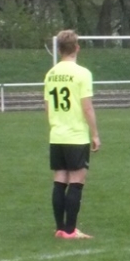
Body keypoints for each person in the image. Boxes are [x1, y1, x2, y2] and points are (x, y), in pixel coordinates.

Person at [44, 30, 101, 239]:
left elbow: (47, 106)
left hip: (57, 135)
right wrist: (95, 134)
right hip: (76, 136)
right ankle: (70, 230)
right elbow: (87, 107)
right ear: (77, 48)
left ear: (59, 49)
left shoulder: (51, 74)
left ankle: (60, 228)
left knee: (60, 179)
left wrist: (55, 125)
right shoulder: (82, 73)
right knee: (77, 180)